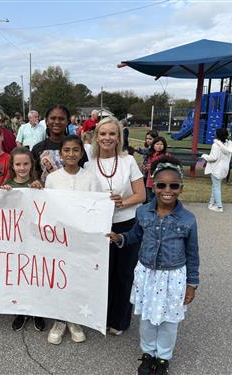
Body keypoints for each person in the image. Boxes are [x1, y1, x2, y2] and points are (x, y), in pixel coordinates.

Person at [108, 156, 199, 375]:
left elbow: (192, 254)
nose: (167, 190)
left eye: (174, 185)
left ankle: (163, 358)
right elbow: (135, 235)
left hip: (173, 276)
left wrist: (192, 283)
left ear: (181, 188)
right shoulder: (142, 212)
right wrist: (120, 238)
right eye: (161, 185)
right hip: (148, 275)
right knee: (148, 318)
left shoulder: (187, 219)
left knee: (168, 321)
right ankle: (148, 353)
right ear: (154, 186)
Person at [84, 116, 145, 336]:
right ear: (96, 137)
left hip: (126, 224)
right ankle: (102, 316)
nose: (107, 138)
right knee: (102, 274)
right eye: (103, 134)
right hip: (99, 226)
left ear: (118, 137)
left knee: (124, 274)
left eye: (112, 133)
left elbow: (142, 194)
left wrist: (123, 202)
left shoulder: (128, 161)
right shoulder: (88, 163)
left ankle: (119, 320)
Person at [44, 135, 99, 344]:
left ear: (81, 153)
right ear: (60, 153)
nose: (71, 154)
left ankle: (74, 319)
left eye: (75, 150)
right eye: (66, 150)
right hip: (59, 238)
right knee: (60, 278)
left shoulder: (90, 179)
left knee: (77, 277)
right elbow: (47, 207)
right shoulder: (53, 178)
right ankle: (59, 320)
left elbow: (97, 208)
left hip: (81, 239)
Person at [0, 147, 46, 332]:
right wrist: (3, 193)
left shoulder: (37, 184)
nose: (22, 167)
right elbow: (0, 209)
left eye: (26, 163)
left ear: (31, 164)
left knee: (36, 274)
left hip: (35, 238)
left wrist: (40, 189)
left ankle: (37, 311)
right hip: (15, 239)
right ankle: (19, 310)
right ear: (12, 165)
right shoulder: (8, 184)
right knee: (19, 274)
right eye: (18, 164)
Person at [31, 105, 88, 182]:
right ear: (46, 121)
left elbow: (85, 173)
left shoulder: (76, 147)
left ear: (68, 121)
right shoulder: (37, 148)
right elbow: (34, 175)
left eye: (61, 119)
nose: (57, 122)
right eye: (53, 118)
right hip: (45, 193)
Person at [201, 127, 232, 213]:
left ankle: (219, 206)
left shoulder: (215, 145)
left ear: (217, 135)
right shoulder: (228, 144)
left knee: (216, 187)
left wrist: (204, 156)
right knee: (215, 186)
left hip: (216, 169)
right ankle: (211, 203)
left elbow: (213, 158)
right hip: (224, 169)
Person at [135, 130, 159, 202]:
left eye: (150, 139)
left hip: (150, 174)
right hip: (145, 173)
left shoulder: (153, 149)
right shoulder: (149, 147)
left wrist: (137, 149)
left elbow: (146, 151)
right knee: (144, 191)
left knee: (149, 193)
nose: (148, 140)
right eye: (147, 139)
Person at [145, 136, 169, 202]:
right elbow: (148, 167)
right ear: (153, 145)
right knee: (150, 201)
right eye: (157, 144)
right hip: (149, 182)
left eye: (161, 144)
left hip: (160, 183)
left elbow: (166, 167)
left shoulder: (165, 156)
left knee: (159, 201)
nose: (159, 146)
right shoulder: (150, 155)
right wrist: (146, 168)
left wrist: (153, 167)